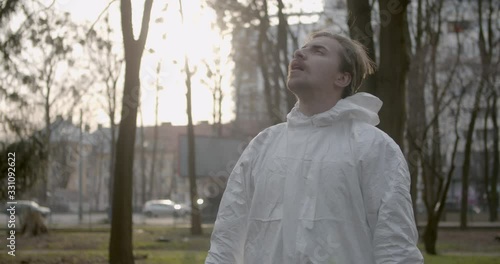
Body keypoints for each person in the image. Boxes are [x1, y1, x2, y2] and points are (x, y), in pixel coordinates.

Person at [205, 31, 424, 264]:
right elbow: (228, 235)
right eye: (303, 49)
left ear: (342, 78)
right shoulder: (263, 145)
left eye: (318, 51)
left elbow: (395, 243)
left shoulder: (374, 146)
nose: (299, 53)